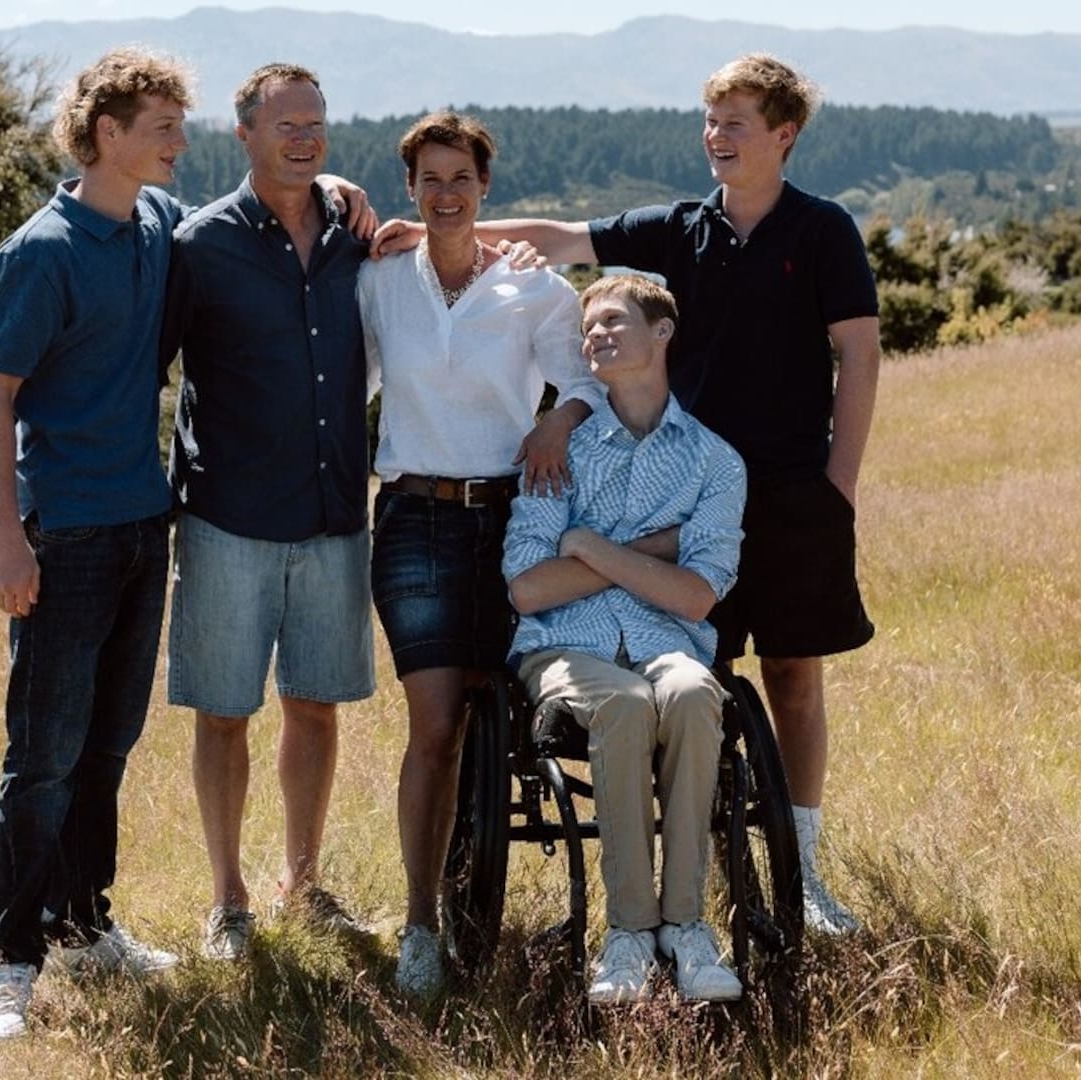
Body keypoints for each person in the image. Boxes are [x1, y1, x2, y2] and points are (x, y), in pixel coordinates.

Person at [387, 53, 881, 935]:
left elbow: (860, 354)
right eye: (710, 120)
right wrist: (447, 227)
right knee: (692, 668)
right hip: (676, 490)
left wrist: (838, 487)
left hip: (789, 491)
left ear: (783, 134)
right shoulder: (680, 227)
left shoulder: (822, 230)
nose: (716, 136)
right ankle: (697, 871)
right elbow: (565, 238)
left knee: (793, 679)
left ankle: (801, 870)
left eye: (735, 123)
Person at [0, 47, 194, 1042]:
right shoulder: (41, 251)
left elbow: (242, 232)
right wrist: (6, 540)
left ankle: (83, 923)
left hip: (145, 524)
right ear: (108, 133)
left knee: (108, 746)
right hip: (64, 534)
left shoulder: (156, 222)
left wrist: (341, 197)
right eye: (162, 128)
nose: (179, 143)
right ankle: (8, 964)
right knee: (44, 760)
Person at [357, 110, 605, 999]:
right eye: (429, 179)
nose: (446, 193)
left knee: (493, 716)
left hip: (513, 521)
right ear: (410, 188)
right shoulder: (380, 280)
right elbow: (348, 380)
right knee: (434, 726)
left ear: (485, 187)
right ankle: (421, 924)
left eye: (461, 177)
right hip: (415, 522)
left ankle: (476, 874)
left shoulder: (535, 289)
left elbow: (585, 380)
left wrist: (557, 420)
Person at [160, 63, 378, 963]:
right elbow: (148, 368)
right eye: (284, 124)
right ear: (243, 133)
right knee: (223, 713)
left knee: (316, 708)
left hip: (335, 515)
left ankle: (304, 884)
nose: (303, 137)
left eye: (314, 122)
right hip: (228, 519)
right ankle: (228, 901)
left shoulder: (358, 236)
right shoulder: (199, 245)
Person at [504, 273, 747, 1004]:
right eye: (589, 329)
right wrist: (656, 552)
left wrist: (587, 545)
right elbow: (528, 588)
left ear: (662, 332)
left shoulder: (715, 462)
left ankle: (687, 928)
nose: (597, 336)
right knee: (625, 701)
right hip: (563, 648)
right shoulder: (561, 451)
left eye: (613, 321)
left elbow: (698, 595)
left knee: (694, 692)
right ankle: (631, 933)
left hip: (669, 643)